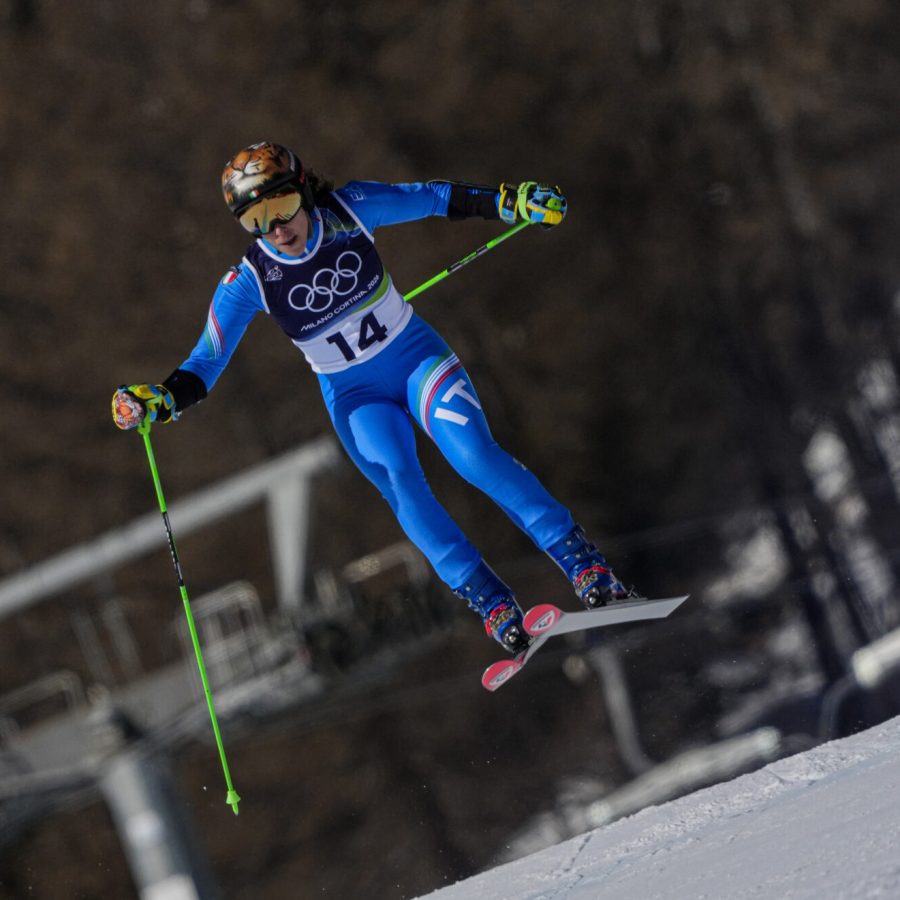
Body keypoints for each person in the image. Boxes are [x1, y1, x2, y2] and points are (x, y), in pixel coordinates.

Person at [112, 141, 634, 654]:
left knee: (474, 455)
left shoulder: (351, 209)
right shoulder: (247, 282)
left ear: (303, 192)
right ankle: (491, 602)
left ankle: (583, 564)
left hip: (414, 360)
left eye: (283, 208)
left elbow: (433, 197)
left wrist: (512, 202)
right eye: (256, 220)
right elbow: (205, 362)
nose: (277, 228)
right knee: (402, 486)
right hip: (355, 395)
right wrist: (160, 399)